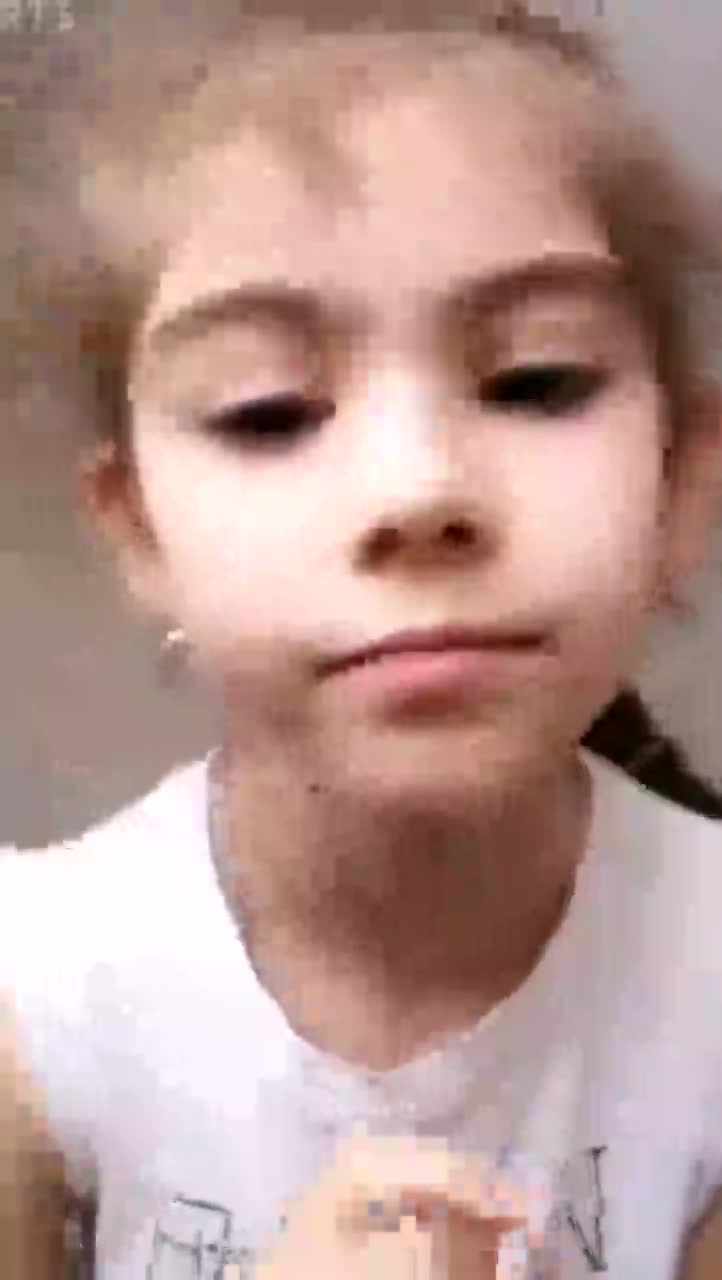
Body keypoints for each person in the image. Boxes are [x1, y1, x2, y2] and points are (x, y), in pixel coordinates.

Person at [3, 2, 722, 1275]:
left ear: (681, 484)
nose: (416, 488)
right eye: (268, 411)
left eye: (536, 379)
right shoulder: (33, 995)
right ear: (139, 529)